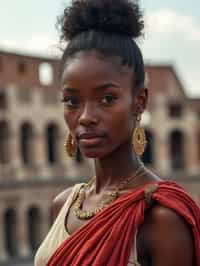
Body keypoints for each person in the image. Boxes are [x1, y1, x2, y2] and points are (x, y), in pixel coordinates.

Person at [35, 0, 200, 265]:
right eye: (72, 101)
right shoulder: (62, 204)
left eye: (107, 99)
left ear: (140, 101)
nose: (86, 117)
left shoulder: (161, 218)